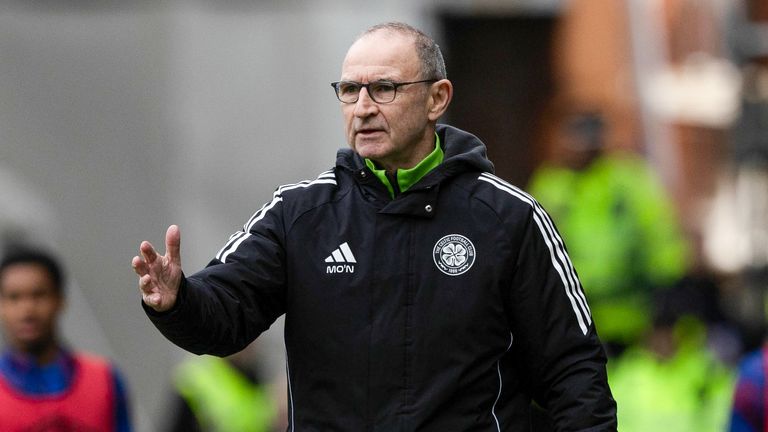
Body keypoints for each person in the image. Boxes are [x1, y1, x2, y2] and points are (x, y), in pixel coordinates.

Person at [133, 22, 616, 430]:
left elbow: (572, 370)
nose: (362, 107)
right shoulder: (300, 213)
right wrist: (180, 301)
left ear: (436, 98)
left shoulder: (509, 217)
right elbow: (226, 316)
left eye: (384, 88)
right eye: (349, 90)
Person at [527, 106, 690, 354]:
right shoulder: (551, 185)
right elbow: (533, 253)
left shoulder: (627, 179)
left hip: (636, 319)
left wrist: (665, 313)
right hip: (576, 318)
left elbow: (661, 240)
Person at [0, 247, 132, 431]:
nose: (27, 310)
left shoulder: (104, 380)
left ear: (60, 300)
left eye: (38, 295)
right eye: (14, 298)